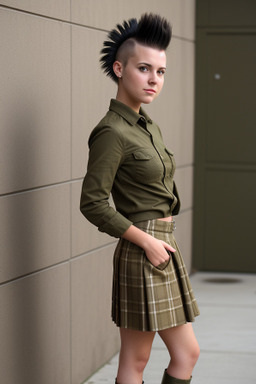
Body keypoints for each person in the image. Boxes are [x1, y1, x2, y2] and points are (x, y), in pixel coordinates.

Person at [80, 13, 200, 384]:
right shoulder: (111, 132)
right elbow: (93, 202)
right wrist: (147, 241)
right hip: (143, 247)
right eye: (144, 68)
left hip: (163, 244)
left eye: (161, 72)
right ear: (119, 68)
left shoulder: (148, 126)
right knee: (138, 360)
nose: (153, 80)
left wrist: (158, 242)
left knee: (183, 353)